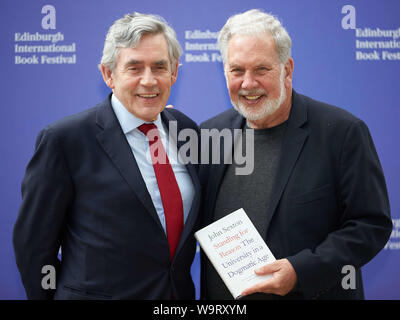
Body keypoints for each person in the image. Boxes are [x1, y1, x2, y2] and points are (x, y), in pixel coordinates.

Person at [199, 9, 392, 300]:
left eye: (261, 69)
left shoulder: (341, 132)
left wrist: (301, 271)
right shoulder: (209, 134)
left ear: (287, 70)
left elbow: (370, 225)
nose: (248, 83)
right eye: (237, 70)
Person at [13, 12, 201, 300]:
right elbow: (34, 248)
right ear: (108, 74)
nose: (149, 81)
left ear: (174, 72)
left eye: (159, 67)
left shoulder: (186, 130)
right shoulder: (65, 140)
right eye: (134, 68)